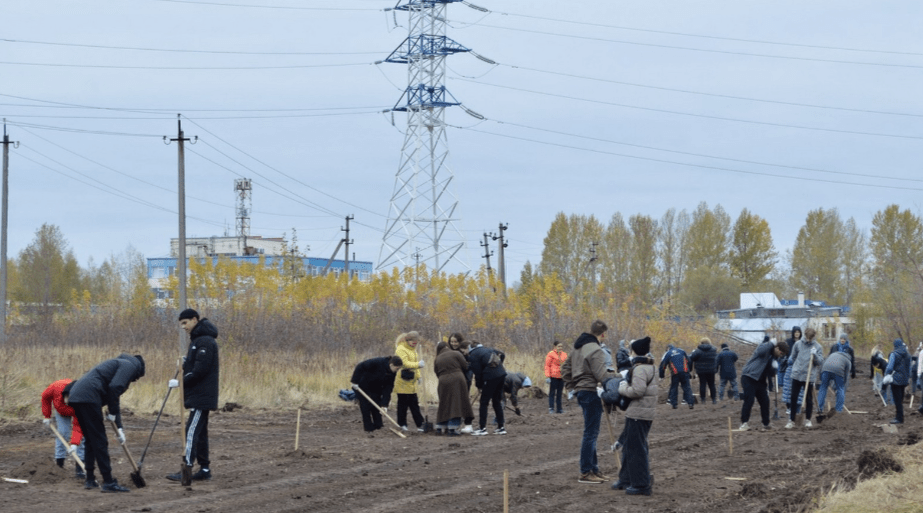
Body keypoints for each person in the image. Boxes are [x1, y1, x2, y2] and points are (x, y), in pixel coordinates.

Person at [68, 353, 146, 492]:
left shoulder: (118, 363)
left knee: (91, 440)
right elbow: (115, 387)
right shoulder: (130, 365)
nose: (133, 380)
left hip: (76, 396)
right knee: (100, 440)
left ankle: (90, 479)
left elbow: (114, 396)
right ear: (138, 371)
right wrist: (111, 412)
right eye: (135, 378)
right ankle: (108, 482)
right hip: (89, 397)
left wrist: (119, 427)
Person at [166, 309, 220, 483]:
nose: (183, 327)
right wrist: (186, 362)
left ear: (195, 320)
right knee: (201, 434)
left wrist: (181, 383)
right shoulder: (198, 340)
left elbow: (200, 371)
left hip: (201, 397)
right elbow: (196, 364)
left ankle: (186, 468)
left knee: (191, 432)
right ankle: (204, 469)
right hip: (199, 395)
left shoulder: (204, 341)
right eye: (181, 324)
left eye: (185, 323)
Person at [561, 320, 616, 484]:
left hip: (581, 392)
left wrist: (573, 387)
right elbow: (602, 376)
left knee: (590, 432)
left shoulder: (577, 348)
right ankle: (585, 472)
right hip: (592, 392)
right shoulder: (596, 350)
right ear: (603, 334)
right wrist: (620, 378)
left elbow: (564, 369)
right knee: (591, 434)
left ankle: (594, 470)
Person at [612, 336, 658, 496]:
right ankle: (626, 480)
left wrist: (622, 386)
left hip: (639, 413)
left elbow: (637, 391)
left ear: (635, 351)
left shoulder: (639, 369)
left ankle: (641, 485)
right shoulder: (650, 366)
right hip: (643, 413)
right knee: (631, 447)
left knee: (636, 450)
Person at [739, 337, 788, 431]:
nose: (781, 356)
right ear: (777, 348)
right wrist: (771, 343)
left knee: (765, 401)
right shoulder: (765, 347)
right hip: (749, 376)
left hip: (760, 380)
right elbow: (760, 351)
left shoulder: (774, 358)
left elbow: (771, 374)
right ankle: (744, 423)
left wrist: (774, 369)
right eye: (781, 353)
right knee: (749, 400)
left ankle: (766, 423)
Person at [41, 378, 86, 478]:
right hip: (61, 412)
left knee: (82, 439)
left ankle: (80, 468)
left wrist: (74, 443)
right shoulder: (56, 387)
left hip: (77, 413)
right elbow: (45, 397)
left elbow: (78, 426)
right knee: (62, 433)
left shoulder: (80, 401)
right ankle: (59, 466)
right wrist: (47, 416)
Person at [350, 355, 403, 432]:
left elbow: (388, 389)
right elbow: (360, 366)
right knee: (365, 406)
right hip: (361, 385)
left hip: (376, 387)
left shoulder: (392, 373)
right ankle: (368, 429)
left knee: (377, 404)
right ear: (391, 365)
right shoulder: (377, 362)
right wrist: (354, 381)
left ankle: (378, 426)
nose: (398, 370)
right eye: (397, 368)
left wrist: (384, 405)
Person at [433, 342, 474, 436]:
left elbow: (436, 372)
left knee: (444, 403)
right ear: (447, 346)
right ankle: (453, 428)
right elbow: (465, 366)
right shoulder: (456, 353)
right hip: (457, 379)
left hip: (443, 381)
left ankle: (440, 427)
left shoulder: (437, 358)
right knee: (457, 403)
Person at [786, 327, 824, 429]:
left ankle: (808, 420)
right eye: (807, 337)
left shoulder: (818, 347)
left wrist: (815, 355)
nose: (808, 340)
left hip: (809, 376)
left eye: (810, 338)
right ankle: (792, 420)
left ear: (813, 337)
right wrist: (796, 367)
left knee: (809, 399)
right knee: (793, 398)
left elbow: (820, 362)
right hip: (797, 375)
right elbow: (793, 357)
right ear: (805, 335)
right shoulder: (798, 344)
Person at [468, 341, 508, 435]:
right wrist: (500, 364)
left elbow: (477, 373)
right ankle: (501, 427)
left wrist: (479, 386)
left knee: (483, 402)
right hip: (501, 374)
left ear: (471, 348)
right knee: (496, 401)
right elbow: (502, 354)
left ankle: (482, 428)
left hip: (490, 377)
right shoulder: (488, 349)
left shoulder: (473, 354)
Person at [393, 331, 426, 433]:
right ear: (407, 340)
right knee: (403, 405)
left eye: (416, 342)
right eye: (412, 341)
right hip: (403, 381)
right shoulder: (400, 349)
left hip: (411, 382)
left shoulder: (413, 350)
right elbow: (403, 364)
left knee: (414, 404)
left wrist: (419, 377)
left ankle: (420, 424)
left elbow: (416, 368)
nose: (414, 343)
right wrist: (418, 364)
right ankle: (402, 424)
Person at [884, 338, 911, 425]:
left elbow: (890, 367)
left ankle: (899, 418)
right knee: (901, 399)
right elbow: (909, 368)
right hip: (904, 380)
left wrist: (886, 375)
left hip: (895, 379)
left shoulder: (894, 354)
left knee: (897, 399)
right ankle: (900, 417)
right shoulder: (907, 354)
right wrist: (907, 378)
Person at [658, 344, 694, 409]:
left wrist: (661, 375)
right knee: (687, 387)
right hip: (685, 371)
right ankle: (690, 403)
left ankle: (674, 404)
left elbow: (663, 365)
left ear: (668, 349)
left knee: (674, 387)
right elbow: (689, 360)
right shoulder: (682, 351)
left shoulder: (668, 353)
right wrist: (689, 370)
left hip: (675, 372)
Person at [817, 350, 852, 414]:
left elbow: (822, 365)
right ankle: (838, 410)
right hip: (838, 371)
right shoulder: (848, 361)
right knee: (840, 389)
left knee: (823, 388)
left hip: (825, 369)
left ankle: (819, 408)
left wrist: (820, 377)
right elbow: (846, 377)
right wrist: (841, 389)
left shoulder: (832, 355)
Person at [690, 337, 718, 404]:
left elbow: (692, 358)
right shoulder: (713, 350)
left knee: (702, 384)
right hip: (711, 370)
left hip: (701, 371)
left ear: (701, 342)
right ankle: (714, 399)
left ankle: (703, 400)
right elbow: (716, 359)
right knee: (711, 384)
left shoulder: (698, 351)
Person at [781, 326, 803, 412]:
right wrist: (785, 360)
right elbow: (784, 353)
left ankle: (797, 407)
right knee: (788, 388)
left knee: (799, 389)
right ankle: (789, 407)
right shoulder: (788, 342)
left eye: (798, 332)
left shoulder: (802, 342)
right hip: (790, 366)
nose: (797, 333)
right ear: (793, 333)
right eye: (795, 332)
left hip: (800, 367)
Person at [545, 341, 567, 414]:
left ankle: (559, 409)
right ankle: (551, 408)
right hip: (553, 376)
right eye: (559, 346)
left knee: (559, 393)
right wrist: (547, 376)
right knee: (552, 393)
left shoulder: (564, 354)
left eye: (561, 346)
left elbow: (566, 365)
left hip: (561, 376)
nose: (560, 348)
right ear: (555, 347)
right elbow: (547, 365)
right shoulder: (551, 354)